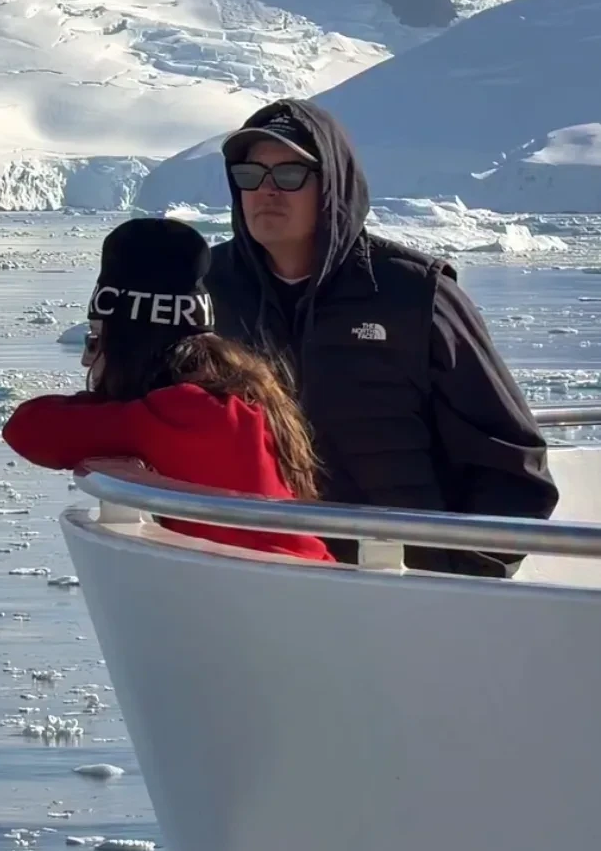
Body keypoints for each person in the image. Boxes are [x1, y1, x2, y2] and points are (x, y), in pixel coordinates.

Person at [209, 98, 558, 575]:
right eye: (251, 174)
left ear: (333, 186)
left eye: (289, 174)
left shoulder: (413, 295)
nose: (266, 190)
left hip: (396, 583)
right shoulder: (208, 291)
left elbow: (511, 461)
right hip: (254, 577)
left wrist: (461, 577)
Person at [2, 217, 332, 563]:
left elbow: (28, 427)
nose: (87, 360)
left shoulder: (181, 414)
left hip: (275, 587)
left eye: (95, 340)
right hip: (299, 581)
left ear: (131, 344)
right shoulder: (240, 397)